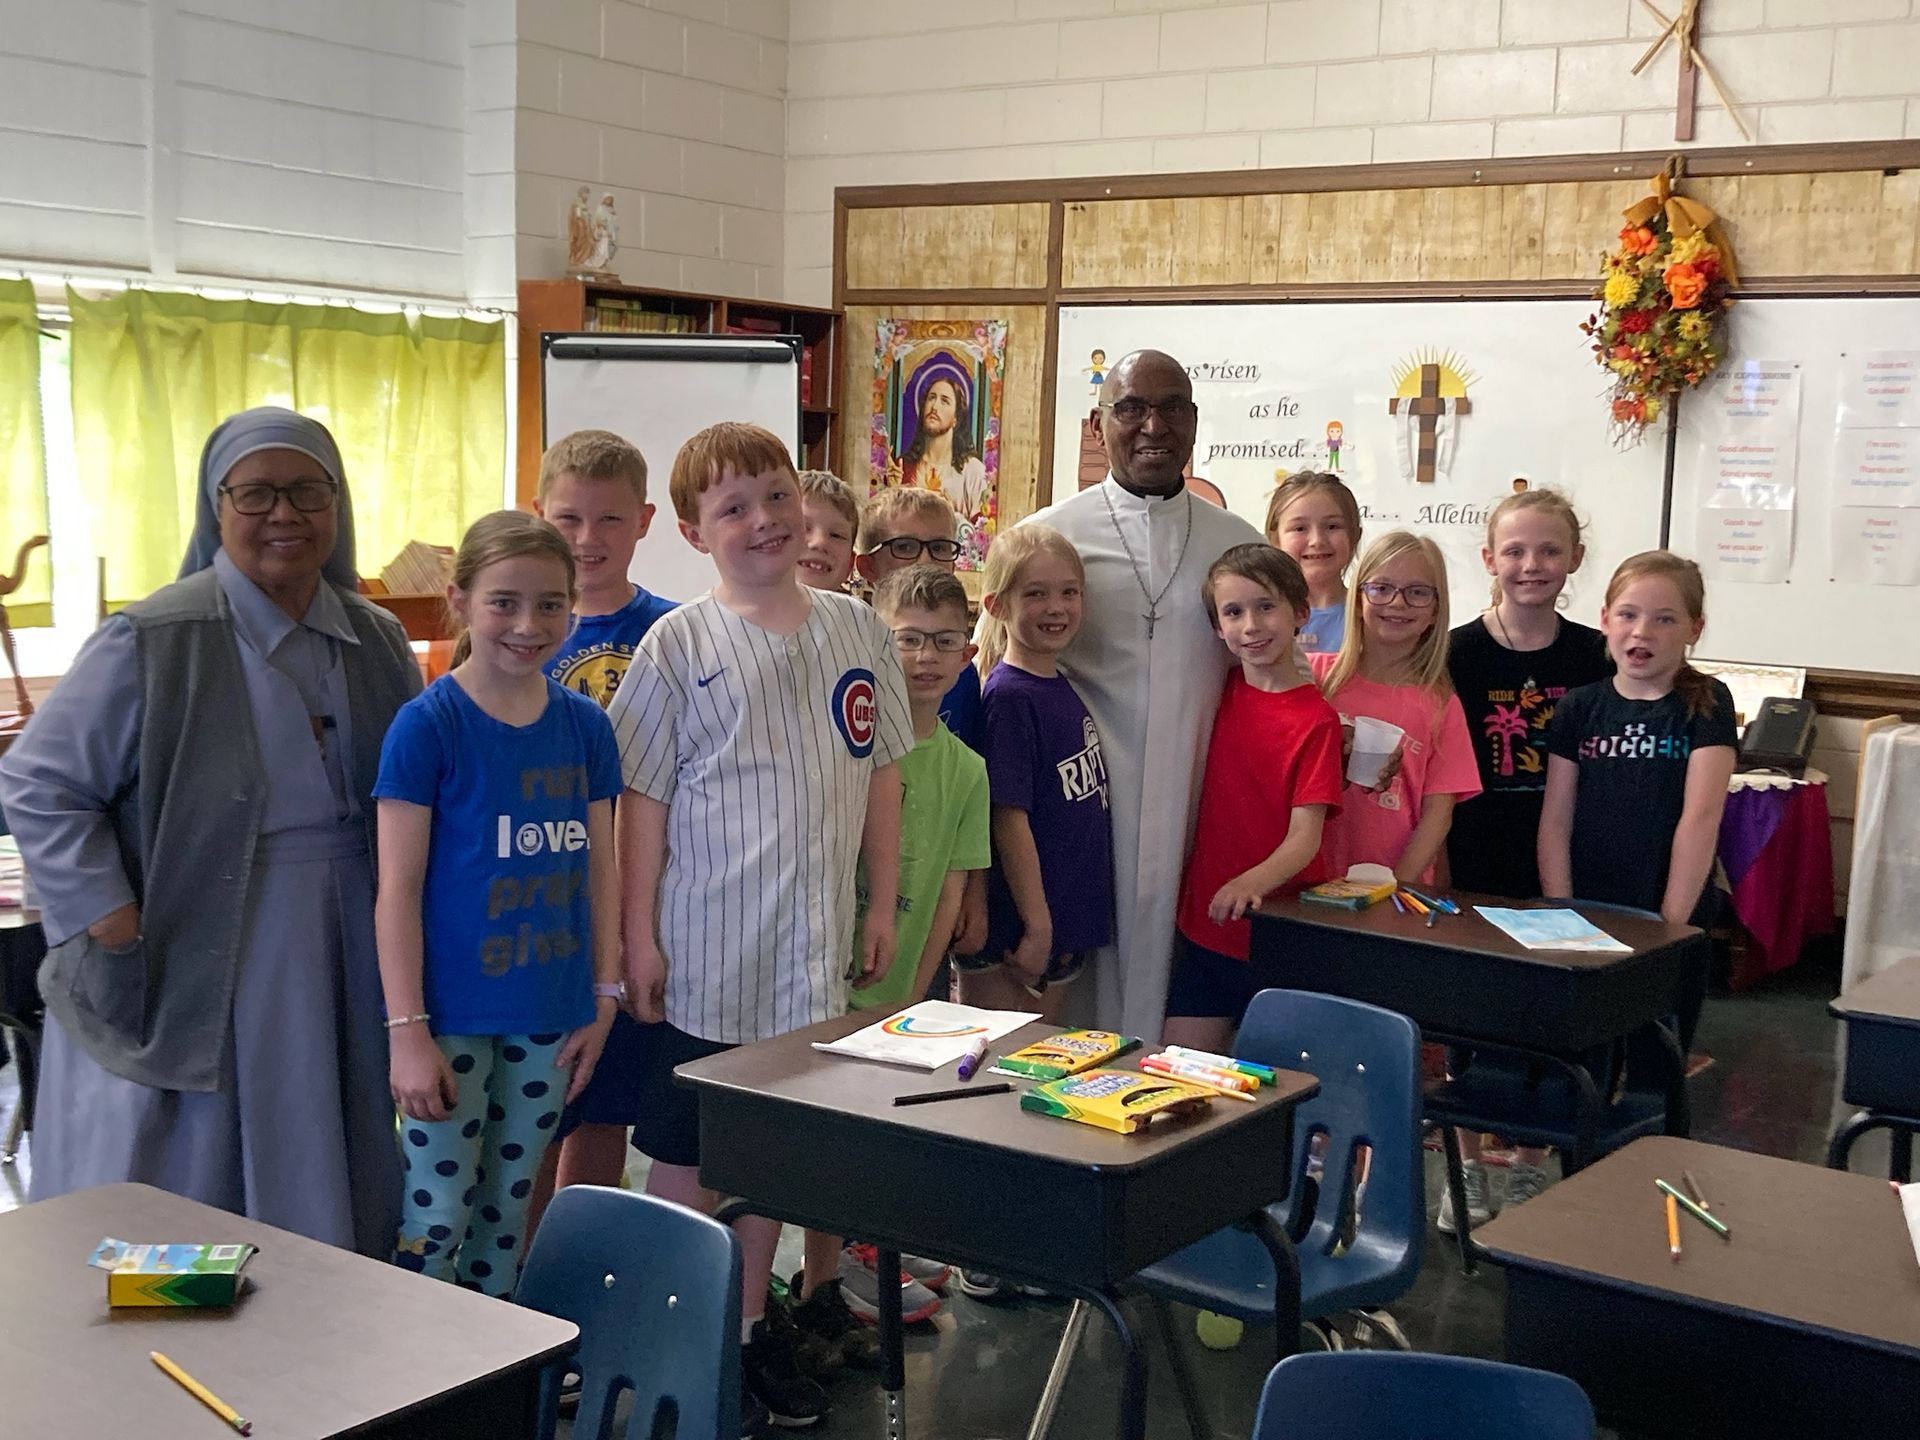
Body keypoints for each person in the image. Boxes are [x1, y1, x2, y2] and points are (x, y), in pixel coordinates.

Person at [0, 407, 419, 1254]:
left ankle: (326, 1330)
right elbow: (38, 782)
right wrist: (111, 919)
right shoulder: (154, 640)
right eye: (256, 492)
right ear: (214, 504)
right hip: (198, 931)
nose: (284, 515)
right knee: (197, 1166)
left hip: (344, 940)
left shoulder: (375, 640)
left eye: (308, 490)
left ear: (337, 504)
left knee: (332, 1143)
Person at [606, 422, 912, 1430]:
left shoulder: (857, 631)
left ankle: (742, 1339)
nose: (762, 521)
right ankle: (673, 1334)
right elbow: (641, 801)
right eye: (731, 508)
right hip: (706, 952)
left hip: (809, 954)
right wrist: (637, 937)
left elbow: (880, 778)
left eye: (774, 496)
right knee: (690, 1161)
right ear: (694, 532)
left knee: (770, 1160)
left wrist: (879, 899)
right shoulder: (679, 644)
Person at [375, 511, 622, 1294]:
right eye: (504, 602)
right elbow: (397, 892)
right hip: (448, 1018)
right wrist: (407, 1031)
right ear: (461, 600)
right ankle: (420, 1374)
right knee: (439, 1209)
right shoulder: (427, 727)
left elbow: (602, 873)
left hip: (550, 1010)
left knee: (507, 1213)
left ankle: (494, 1381)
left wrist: (605, 993)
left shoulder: (585, 728)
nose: (529, 624)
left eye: (552, 604)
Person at [1018, 349, 1262, 1043]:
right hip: (1082, 804)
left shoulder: (1236, 544)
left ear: (1193, 421)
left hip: (1196, 803)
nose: (1153, 424)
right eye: (1131, 407)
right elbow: (997, 669)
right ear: (1101, 424)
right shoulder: (1049, 538)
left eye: (1171, 407)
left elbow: (1271, 671)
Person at [786, 564, 989, 1358]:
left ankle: (827, 1282)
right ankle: (800, 1284)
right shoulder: (847, 747)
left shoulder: (966, 769)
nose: (925, 658)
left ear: (968, 651)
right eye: (908, 639)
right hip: (818, 977)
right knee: (808, 1135)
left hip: (900, 992)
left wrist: (913, 994)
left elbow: (948, 892)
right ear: (878, 641)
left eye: (943, 642)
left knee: (863, 1141)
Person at [522, 429, 676, 1259]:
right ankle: (525, 1280)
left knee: (604, 1103)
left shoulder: (672, 633)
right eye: (569, 519)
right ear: (538, 515)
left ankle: (577, 1272)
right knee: (537, 1109)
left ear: (646, 520)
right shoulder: (513, 629)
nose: (588, 540)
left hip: (632, 909)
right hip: (539, 912)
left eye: (610, 520)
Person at [1442, 489, 1611, 1232]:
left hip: (1563, 863)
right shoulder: (1456, 651)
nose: (1531, 565)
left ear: (1574, 558)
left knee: (1548, 1020)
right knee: (1468, 1016)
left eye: (1549, 551)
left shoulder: (1595, 653)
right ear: (1489, 561)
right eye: (1515, 551)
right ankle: (1468, 1166)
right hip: (1475, 856)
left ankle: (1531, 1166)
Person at [953, 524, 1113, 1305]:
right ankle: (990, 1247)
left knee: (1035, 1080)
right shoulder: (1009, 698)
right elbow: (1009, 815)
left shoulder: (1058, 683)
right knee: (1007, 1086)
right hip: (1025, 932)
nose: (1055, 607)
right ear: (998, 604)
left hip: (1060, 926)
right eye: (1036, 593)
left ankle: (1017, 1239)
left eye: (1067, 592)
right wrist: (1040, 923)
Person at [1166, 545, 1345, 1053]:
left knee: (1277, 1087)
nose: (1251, 624)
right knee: (1174, 1072)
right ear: (1218, 628)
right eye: (1234, 611)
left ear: (1300, 613)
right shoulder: (1215, 691)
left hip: (1279, 935)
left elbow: (1305, 837)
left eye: (1266, 606)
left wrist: (1250, 883)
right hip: (1205, 929)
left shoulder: (1317, 721)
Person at [1539, 551, 1737, 927]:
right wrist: (1561, 908)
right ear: (1605, 620)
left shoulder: (1709, 701)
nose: (1642, 631)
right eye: (1628, 614)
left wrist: (1670, 925)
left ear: (1694, 629)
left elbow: (1701, 819)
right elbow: (1556, 821)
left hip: (1669, 906)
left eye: (1665, 619)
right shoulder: (1578, 706)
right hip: (1586, 903)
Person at [1311, 532, 1481, 887]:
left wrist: (1397, 884)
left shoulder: (1442, 705)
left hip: (1397, 894)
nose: (1397, 603)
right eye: (1381, 588)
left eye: (1417, 592)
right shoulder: (1315, 678)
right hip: (1309, 881)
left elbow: (1438, 814)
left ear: (1436, 610)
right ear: (1358, 599)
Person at [856, 486, 981, 751]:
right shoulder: (849, 658)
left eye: (939, 547)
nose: (925, 560)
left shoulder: (960, 672)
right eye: (904, 546)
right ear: (867, 566)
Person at [1266, 471, 1362, 655]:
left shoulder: (1371, 617)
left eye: (1332, 526)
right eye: (1299, 528)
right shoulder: (1260, 616)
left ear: (1355, 536)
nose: (1317, 541)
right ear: (1275, 539)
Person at [889, 372, 988, 521]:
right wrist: (894, 492)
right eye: (931, 398)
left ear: (956, 418)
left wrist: (949, 515)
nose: (934, 407)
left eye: (945, 401)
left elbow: (982, 534)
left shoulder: (973, 471)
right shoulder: (902, 468)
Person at [797, 468, 859, 592]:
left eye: (836, 535)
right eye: (802, 527)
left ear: (850, 563)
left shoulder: (858, 611)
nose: (819, 542)